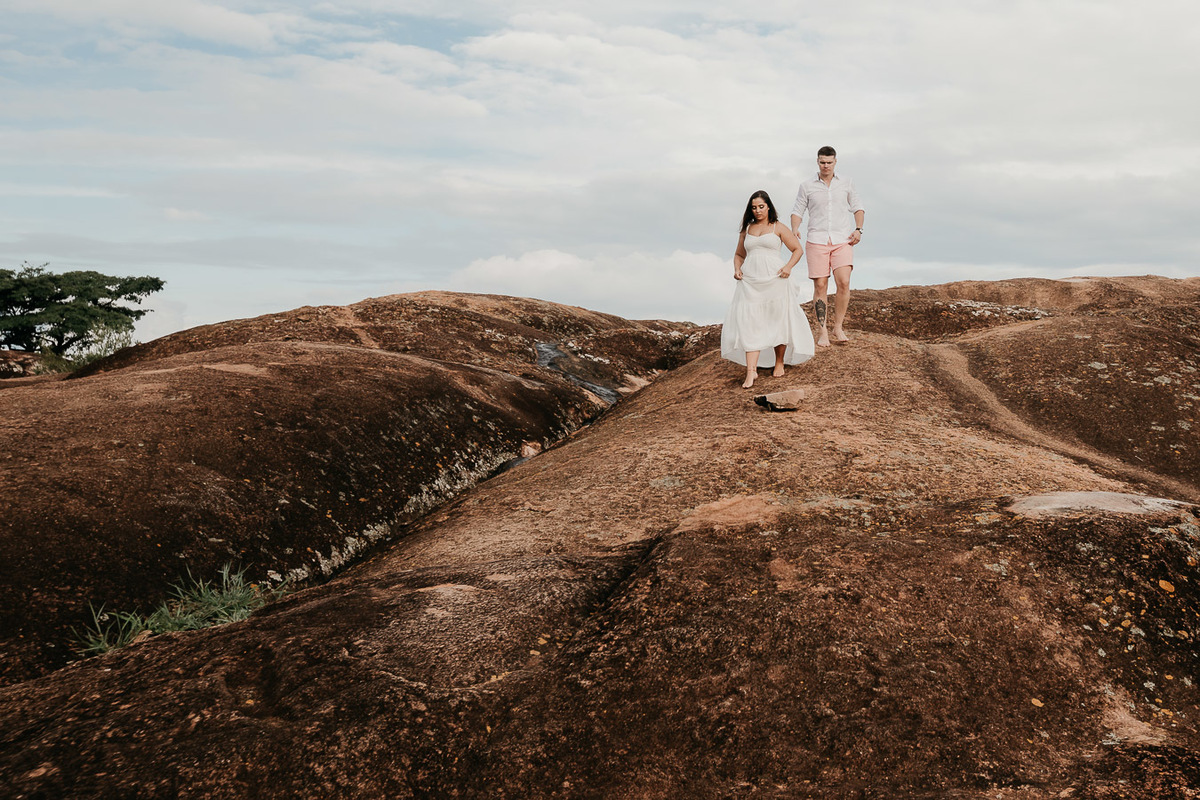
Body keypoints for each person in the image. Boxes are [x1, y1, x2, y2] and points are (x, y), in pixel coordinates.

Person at [720, 190, 815, 388]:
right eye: (754, 208)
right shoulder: (747, 230)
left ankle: (779, 362)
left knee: (777, 318)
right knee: (749, 321)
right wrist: (737, 269)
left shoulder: (778, 227)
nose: (757, 211)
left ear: (768, 206)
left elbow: (797, 249)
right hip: (751, 281)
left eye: (761, 207)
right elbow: (739, 254)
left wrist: (788, 267)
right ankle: (751, 371)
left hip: (775, 278)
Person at [790, 146, 865, 347]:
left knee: (844, 282)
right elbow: (797, 210)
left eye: (829, 162)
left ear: (835, 162)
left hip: (842, 240)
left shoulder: (847, 182)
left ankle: (838, 326)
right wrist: (795, 228)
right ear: (817, 162)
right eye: (822, 162)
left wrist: (859, 229)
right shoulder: (807, 186)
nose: (825, 166)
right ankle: (822, 332)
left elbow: (858, 207)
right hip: (817, 239)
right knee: (820, 285)